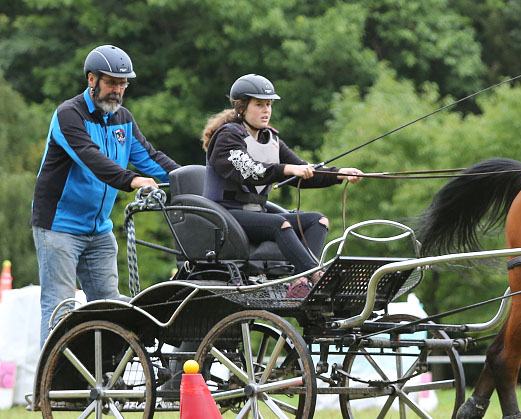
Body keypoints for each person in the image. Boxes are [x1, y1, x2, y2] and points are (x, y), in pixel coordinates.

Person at [32, 44, 181, 344]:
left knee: (111, 310)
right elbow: (92, 158)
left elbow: (151, 159)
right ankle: (49, 389)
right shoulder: (68, 115)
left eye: (123, 84)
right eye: (111, 82)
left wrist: (192, 180)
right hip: (59, 227)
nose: (117, 90)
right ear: (92, 80)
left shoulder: (122, 119)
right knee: (61, 309)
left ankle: (104, 381)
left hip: (99, 231)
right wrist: (133, 181)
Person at [200, 73, 363, 297]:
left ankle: (301, 282)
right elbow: (251, 171)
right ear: (241, 107)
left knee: (318, 220)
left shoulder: (271, 139)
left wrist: (339, 174)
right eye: (259, 105)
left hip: (257, 214)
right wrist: (287, 169)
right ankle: (318, 276)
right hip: (226, 214)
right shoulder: (227, 138)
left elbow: (305, 172)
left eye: (269, 104)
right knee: (280, 224)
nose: (266, 110)